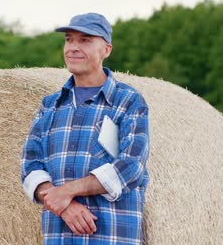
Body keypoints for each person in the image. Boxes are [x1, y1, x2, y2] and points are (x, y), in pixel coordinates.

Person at [20, 13, 150, 245]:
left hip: (111, 237)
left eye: (85, 40)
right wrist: (65, 205)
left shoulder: (128, 101)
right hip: (59, 237)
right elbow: (30, 166)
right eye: (69, 40)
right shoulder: (50, 106)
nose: (73, 47)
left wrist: (67, 191)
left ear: (106, 49)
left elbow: (131, 166)